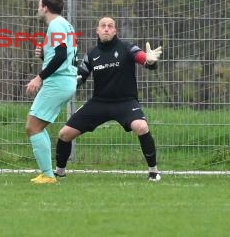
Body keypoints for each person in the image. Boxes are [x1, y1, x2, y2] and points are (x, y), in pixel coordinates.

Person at [54, 16, 163, 181]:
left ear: (115, 31)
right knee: (64, 134)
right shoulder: (91, 54)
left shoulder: (127, 47)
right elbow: (80, 77)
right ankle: (59, 173)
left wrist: (150, 61)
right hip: (100, 102)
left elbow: (143, 59)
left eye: (110, 26)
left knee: (141, 127)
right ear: (97, 30)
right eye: (103, 26)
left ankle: (153, 171)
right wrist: (71, 80)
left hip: (125, 102)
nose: (106, 29)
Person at [25, 0, 77, 185]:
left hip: (59, 81)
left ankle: (48, 175)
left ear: (45, 7)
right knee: (36, 126)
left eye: (39, 5)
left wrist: (39, 77)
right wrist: (44, 55)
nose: (38, 9)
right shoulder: (64, 24)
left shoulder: (56, 24)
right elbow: (61, 53)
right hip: (64, 81)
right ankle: (47, 173)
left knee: (33, 126)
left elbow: (61, 55)